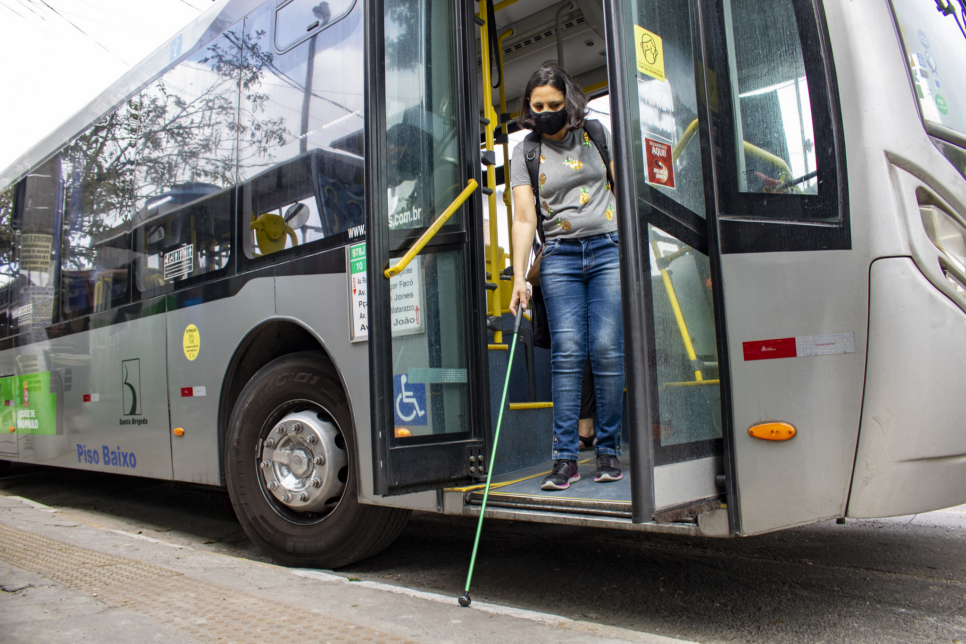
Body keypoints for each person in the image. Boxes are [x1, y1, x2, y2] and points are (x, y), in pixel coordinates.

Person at [508, 65, 624, 491]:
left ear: (569, 103)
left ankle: (608, 450)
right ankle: (565, 458)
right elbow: (523, 218)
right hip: (559, 256)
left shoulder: (595, 133)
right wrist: (520, 277)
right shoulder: (524, 152)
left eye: (554, 106)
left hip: (609, 248)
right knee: (568, 352)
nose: (545, 113)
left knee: (607, 348)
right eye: (537, 107)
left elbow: (622, 186)